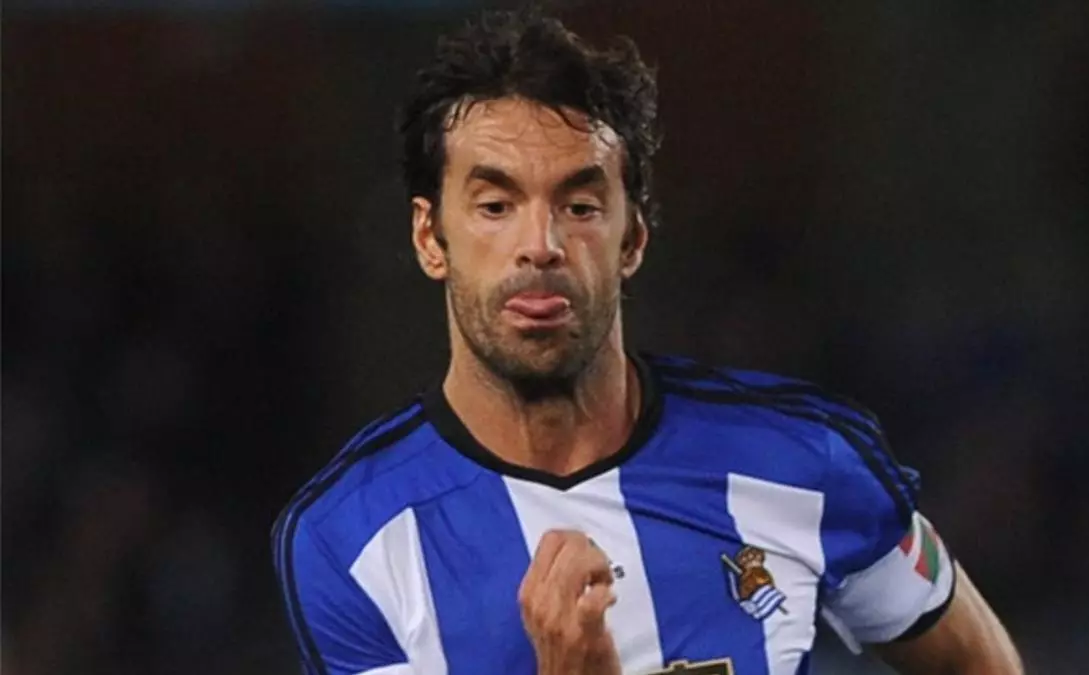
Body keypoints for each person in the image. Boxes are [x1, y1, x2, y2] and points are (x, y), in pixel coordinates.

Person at [272, 9, 1023, 675]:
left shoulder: (805, 463)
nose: (541, 244)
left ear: (632, 237)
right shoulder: (352, 542)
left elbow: (977, 662)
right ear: (430, 237)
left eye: (580, 205)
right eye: (496, 205)